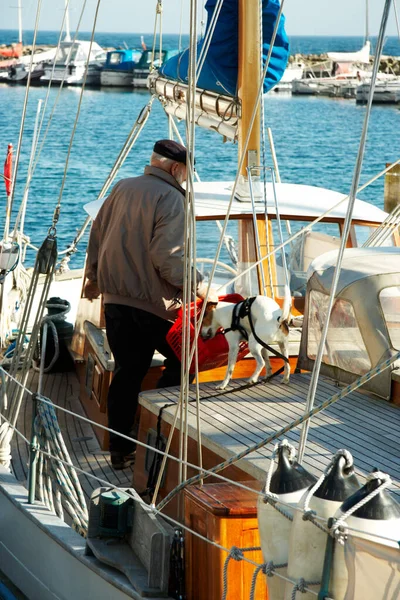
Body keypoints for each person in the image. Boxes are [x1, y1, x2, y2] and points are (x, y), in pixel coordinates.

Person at [84, 139, 217, 469]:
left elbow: (96, 237)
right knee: (185, 362)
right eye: (186, 174)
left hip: (115, 301)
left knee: (128, 372)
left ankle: (120, 449)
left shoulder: (121, 187)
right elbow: (168, 260)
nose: (186, 180)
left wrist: (92, 278)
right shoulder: (172, 198)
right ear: (175, 168)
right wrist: (203, 288)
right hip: (152, 305)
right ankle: (157, 432)